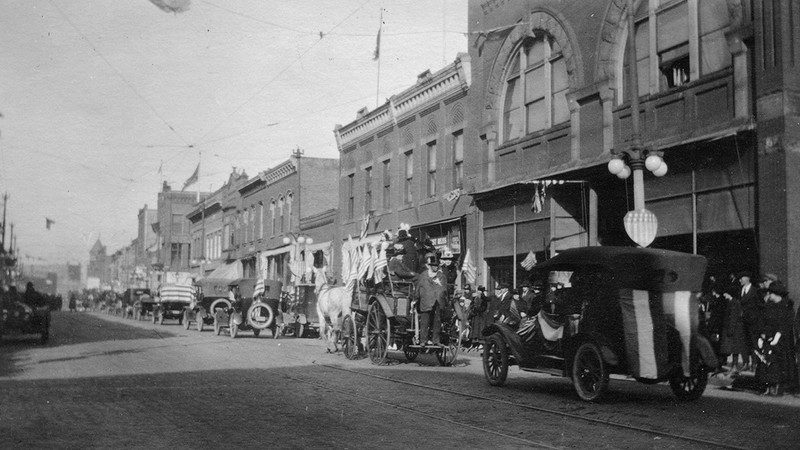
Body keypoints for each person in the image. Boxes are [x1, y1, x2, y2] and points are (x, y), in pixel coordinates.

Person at [755, 281, 795, 396]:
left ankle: (777, 387)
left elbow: (786, 324)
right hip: (767, 338)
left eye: (770, 293)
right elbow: (762, 321)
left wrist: (778, 335)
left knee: (777, 364)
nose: (769, 295)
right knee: (765, 362)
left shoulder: (786, 307)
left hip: (780, 340)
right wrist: (761, 335)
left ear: (777, 294)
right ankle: (767, 387)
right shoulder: (768, 307)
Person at [415, 253, 448, 345]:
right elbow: (418, 287)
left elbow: (444, 289)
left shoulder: (441, 276)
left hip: (437, 302)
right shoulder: (424, 275)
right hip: (426, 301)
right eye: (433, 266)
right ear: (430, 266)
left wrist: (444, 301)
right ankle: (423, 340)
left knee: (437, 321)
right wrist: (415, 298)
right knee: (425, 321)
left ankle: (436, 340)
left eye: (437, 266)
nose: (435, 268)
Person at [720, 287, 748, 374]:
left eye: (725, 293)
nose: (724, 295)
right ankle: (734, 366)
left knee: (734, 349)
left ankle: (734, 366)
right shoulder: (733, 302)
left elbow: (733, 317)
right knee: (734, 349)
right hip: (735, 329)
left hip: (734, 330)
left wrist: (730, 330)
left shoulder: (733, 303)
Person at [738, 271, 760, 371]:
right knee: (743, 343)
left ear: (747, 278)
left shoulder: (755, 291)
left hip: (753, 322)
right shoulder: (740, 291)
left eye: (741, 278)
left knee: (753, 343)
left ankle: (754, 364)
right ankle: (745, 362)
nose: (740, 280)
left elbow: (759, 306)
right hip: (742, 321)